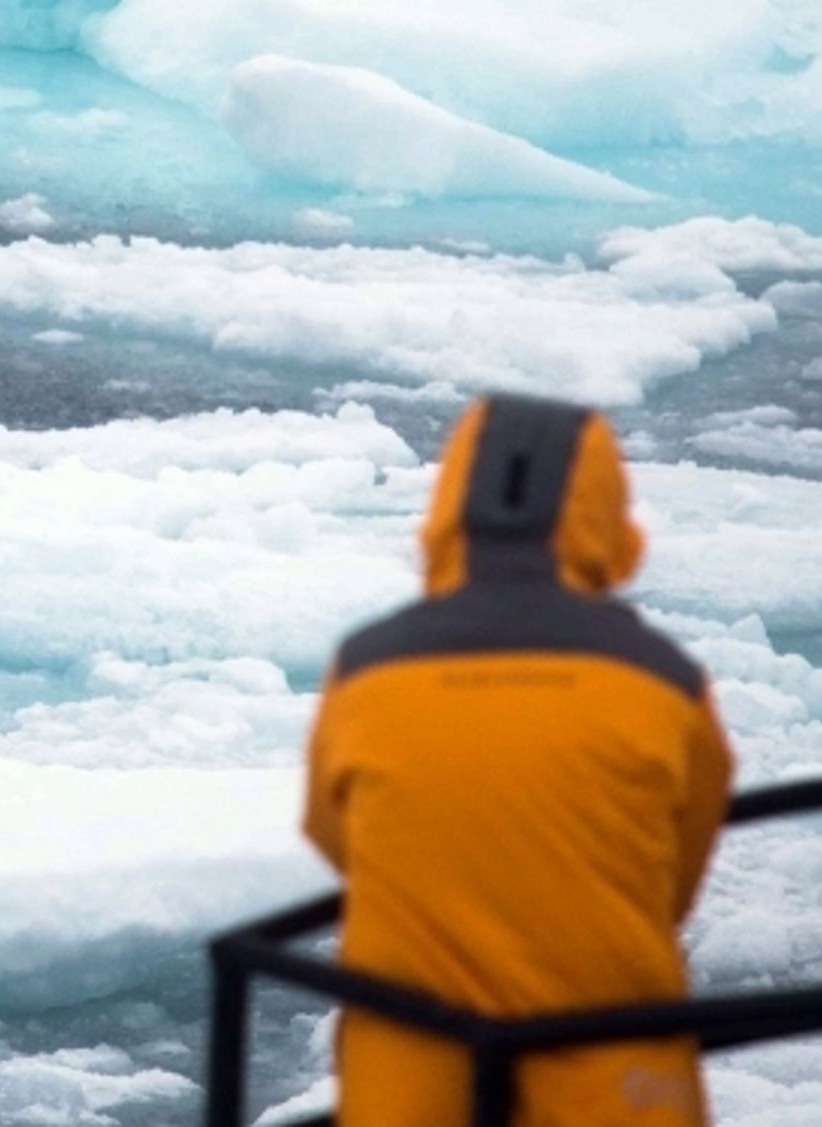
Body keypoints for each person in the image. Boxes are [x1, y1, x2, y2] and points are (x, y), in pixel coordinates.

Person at [304, 394, 734, 1125]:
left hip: (413, 1066)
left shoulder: (367, 668)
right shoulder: (661, 679)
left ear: (446, 510)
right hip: (608, 1063)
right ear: (606, 517)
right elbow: (679, 864)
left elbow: (334, 831)